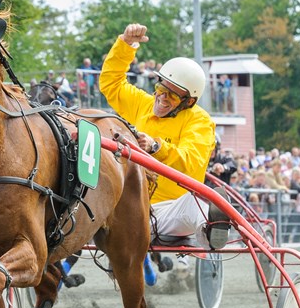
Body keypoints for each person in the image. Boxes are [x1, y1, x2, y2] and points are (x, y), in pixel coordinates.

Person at [99, 22, 230, 274]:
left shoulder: (200, 121)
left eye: (172, 95)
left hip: (169, 211)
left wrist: (157, 147)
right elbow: (111, 83)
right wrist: (126, 44)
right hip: (130, 207)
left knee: (195, 202)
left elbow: (191, 163)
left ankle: (210, 236)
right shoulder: (143, 104)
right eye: (160, 89)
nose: (162, 97)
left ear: (188, 101)